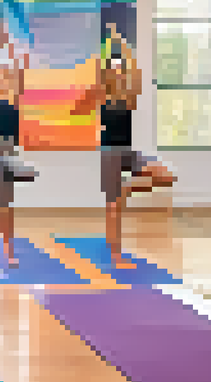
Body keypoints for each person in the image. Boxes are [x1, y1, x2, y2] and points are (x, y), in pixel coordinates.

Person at [71, 27, 176, 269]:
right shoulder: (101, 94)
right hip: (108, 153)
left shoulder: (129, 96)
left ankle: (128, 187)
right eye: (113, 69)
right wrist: (104, 50)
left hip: (128, 152)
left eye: (121, 69)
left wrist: (121, 41)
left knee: (166, 175)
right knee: (113, 209)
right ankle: (115, 255)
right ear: (107, 73)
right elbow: (79, 107)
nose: (118, 72)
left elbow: (136, 71)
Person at [0, 30, 37, 266]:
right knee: (4, 202)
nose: (5, 76)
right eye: (1, 74)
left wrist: (11, 50)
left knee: (8, 202)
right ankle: (8, 249)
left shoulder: (15, 96)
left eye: (8, 74)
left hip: (10, 151)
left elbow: (19, 74)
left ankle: (9, 245)